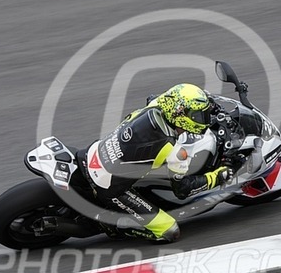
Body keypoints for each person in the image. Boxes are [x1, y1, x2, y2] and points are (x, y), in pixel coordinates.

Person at [79, 83, 233, 243]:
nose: (203, 120)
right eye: (198, 115)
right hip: (108, 186)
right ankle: (116, 224)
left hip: (93, 153)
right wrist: (217, 177)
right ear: (180, 114)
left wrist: (210, 104)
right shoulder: (173, 151)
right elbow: (183, 189)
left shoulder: (156, 105)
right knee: (170, 231)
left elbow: (154, 97)